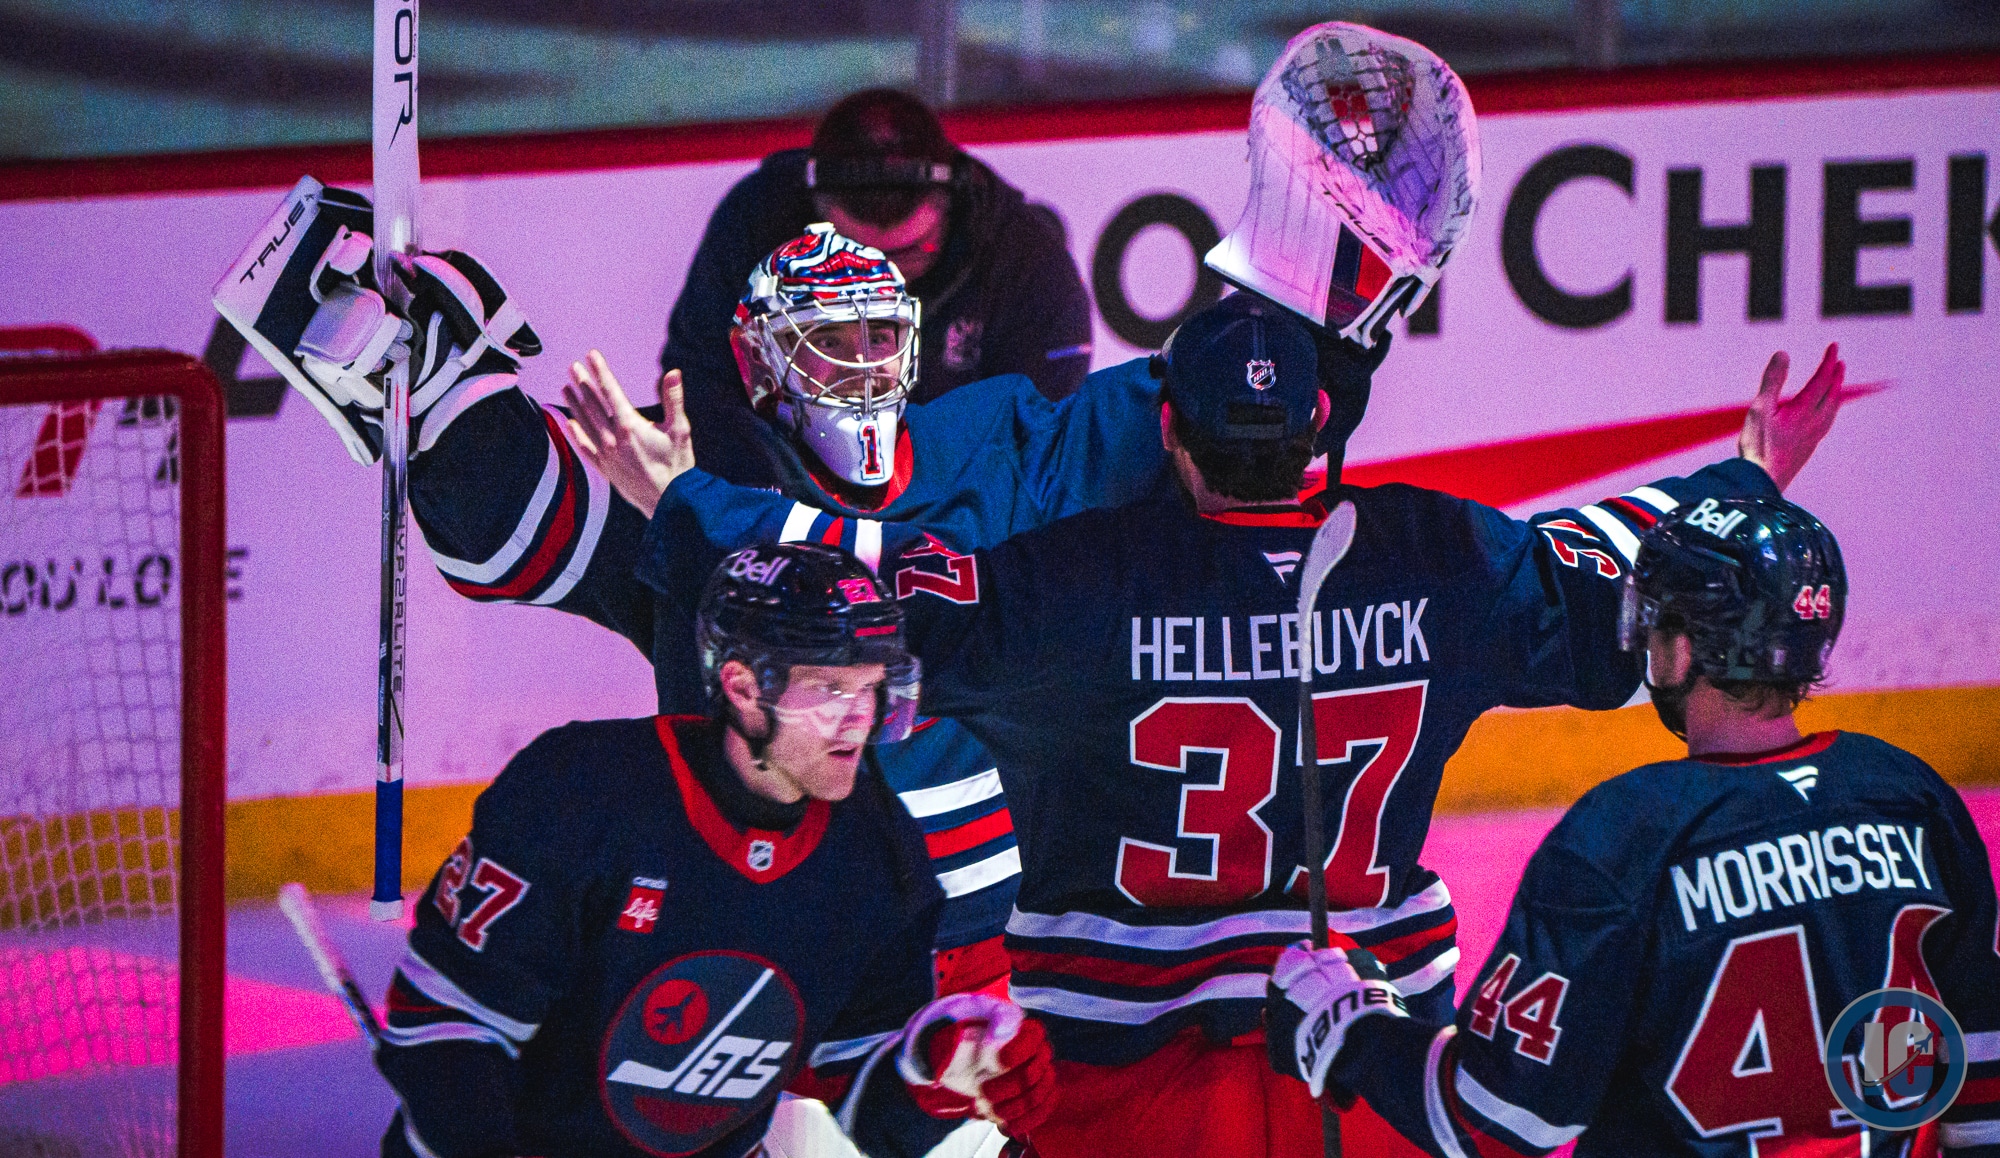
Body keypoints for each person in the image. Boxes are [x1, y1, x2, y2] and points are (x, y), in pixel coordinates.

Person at [597, 291, 1846, 1156]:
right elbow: (1610, 562)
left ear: (1166, 431)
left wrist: (689, 503)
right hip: (1368, 1071)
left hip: (1118, 1090)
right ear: (1316, 430)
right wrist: (1742, 477)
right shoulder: (1438, 556)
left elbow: (868, 585)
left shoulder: (1077, 582)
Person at [1263, 498, 2000, 1156]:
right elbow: (1981, 1059)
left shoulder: (1622, 839)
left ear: (1685, 648)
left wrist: (1350, 1028)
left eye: (1656, 623)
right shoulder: (1911, 798)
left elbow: (1498, 1117)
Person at [373, 542, 1057, 1158]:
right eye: (829, 687)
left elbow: (868, 1105)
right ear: (743, 688)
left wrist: (936, 1070)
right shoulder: (581, 794)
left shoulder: (878, 854)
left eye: (872, 686)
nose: (861, 718)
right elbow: (447, 1024)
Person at [665, 88, 1093, 487]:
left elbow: (1042, 442)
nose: (885, 279)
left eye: (908, 252)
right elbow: (702, 386)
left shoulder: (1025, 262)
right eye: (856, 256)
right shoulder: (758, 221)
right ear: (813, 219)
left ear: (952, 209)